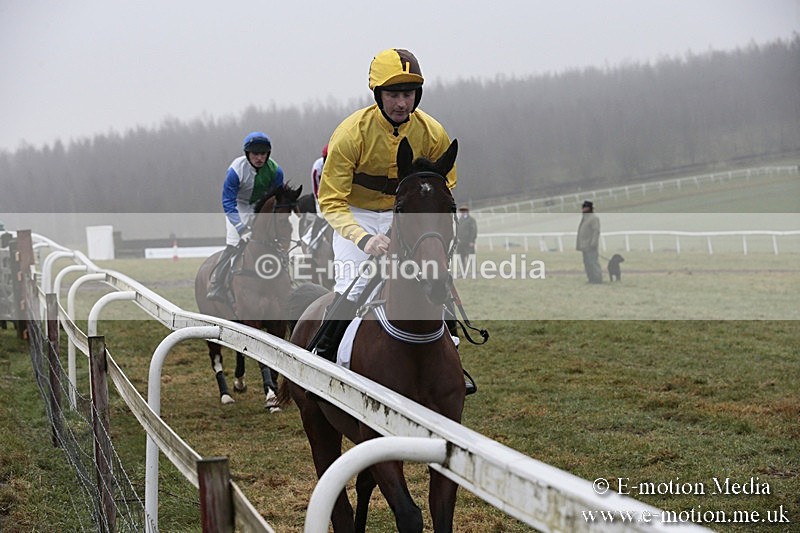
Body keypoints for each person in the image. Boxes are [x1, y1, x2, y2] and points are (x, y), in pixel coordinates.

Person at [315, 49, 476, 393]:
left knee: (433, 278)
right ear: (378, 95)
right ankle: (324, 358)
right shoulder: (349, 135)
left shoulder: (433, 133)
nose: (402, 103)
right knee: (354, 286)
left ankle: (452, 364)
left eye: (408, 94)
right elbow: (330, 200)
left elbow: (444, 186)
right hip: (354, 215)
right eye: (393, 95)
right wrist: (363, 239)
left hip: (403, 213)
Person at [207, 132, 285, 301]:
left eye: (263, 154)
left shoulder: (276, 171)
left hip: (259, 207)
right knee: (235, 243)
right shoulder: (236, 170)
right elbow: (227, 201)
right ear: (247, 154)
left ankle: (284, 279)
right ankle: (217, 284)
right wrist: (241, 228)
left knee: (273, 242)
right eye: (255, 154)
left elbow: (278, 199)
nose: (259, 158)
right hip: (238, 206)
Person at [576, 200, 603, 284]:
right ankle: (591, 278)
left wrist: (593, 243)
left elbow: (596, 231)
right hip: (584, 245)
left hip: (590, 245)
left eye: (585, 207)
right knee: (587, 263)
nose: (583, 209)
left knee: (593, 263)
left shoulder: (594, 218)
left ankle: (597, 279)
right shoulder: (585, 218)